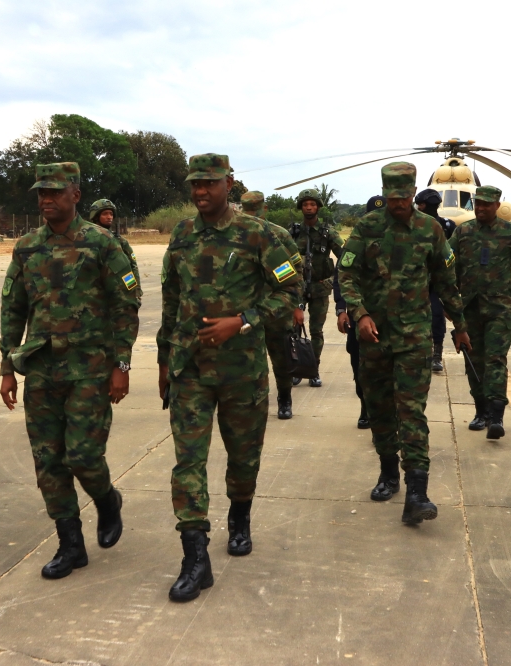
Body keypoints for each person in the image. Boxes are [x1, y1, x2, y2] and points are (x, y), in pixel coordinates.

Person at [158, 154, 301, 601]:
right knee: (188, 462)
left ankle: (239, 518)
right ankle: (195, 556)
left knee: (243, 458)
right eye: (195, 185)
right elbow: (170, 297)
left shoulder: (260, 235)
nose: (201, 192)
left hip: (242, 371)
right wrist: (164, 358)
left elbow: (290, 291)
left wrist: (241, 321)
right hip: (190, 370)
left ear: (230, 184)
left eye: (210, 184)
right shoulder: (181, 234)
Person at [0, 163, 139, 580]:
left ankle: (107, 499)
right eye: (41, 193)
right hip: (41, 369)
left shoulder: (103, 244)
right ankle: (70, 544)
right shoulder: (26, 247)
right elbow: (13, 309)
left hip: (90, 368)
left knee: (82, 455)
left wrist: (122, 365)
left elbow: (126, 306)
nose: (46, 199)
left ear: (75, 195)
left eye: (55, 192)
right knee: (48, 461)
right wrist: (8, 366)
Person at [338, 162, 469, 525]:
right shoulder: (367, 226)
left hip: (414, 337)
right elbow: (346, 272)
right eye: (391, 198)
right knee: (380, 410)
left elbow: (446, 278)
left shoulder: (430, 230)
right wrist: (359, 311)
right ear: (385, 194)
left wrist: (460, 323)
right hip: (374, 337)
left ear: (413, 194)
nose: (398, 204)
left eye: (404, 197)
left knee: (412, 412)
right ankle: (387, 472)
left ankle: (417, 491)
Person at [449, 186, 511, 439]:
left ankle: (496, 415)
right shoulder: (463, 231)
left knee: (495, 359)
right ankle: (481, 411)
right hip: (469, 309)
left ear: (497, 206)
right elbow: (445, 263)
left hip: (499, 307)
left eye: (487, 204)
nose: (481, 208)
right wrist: (450, 302)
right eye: (478, 204)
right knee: (473, 360)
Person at [241, 190, 303, 419]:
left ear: (264, 209)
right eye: (247, 212)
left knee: (281, 358)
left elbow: (296, 272)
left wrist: (297, 306)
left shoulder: (279, 235)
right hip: (246, 311)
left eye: (255, 212)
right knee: (248, 361)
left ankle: (284, 398)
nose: (251, 216)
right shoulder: (236, 236)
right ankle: (252, 403)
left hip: (277, 308)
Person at [334, 194, 387, 428]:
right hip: (360, 314)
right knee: (360, 366)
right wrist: (341, 310)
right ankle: (366, 407)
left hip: (395, 317)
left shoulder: (405, 240)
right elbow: (342, 276)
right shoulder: (355, 242)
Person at [290, 188, 344, 387]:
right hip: (298, 289)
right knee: (294, 330)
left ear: (318, 207)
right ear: (301, 208)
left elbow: (346, 257)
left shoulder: (327, 232)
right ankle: (296, 369)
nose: (309, 208)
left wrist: (333, 280)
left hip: (320, 288)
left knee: (316, 331)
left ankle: (314, 369)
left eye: (312, 204)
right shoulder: (293, 233)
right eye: (305, 205)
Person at [414, 189, 456, 372]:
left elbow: (453, 256)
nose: (418, 208)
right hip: (415, 282)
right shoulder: (412, 225)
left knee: (437, 318)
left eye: (421, 205)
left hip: (436, 284)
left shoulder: (447, 226)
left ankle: (436, 354)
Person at [87, 198, 142, 303]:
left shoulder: (120, 242)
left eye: (111, 214)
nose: (109, 217)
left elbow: (131, 267)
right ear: (96, 216)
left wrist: (135, 292)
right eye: (105, 214)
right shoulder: (86, 240)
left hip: (117, 293)